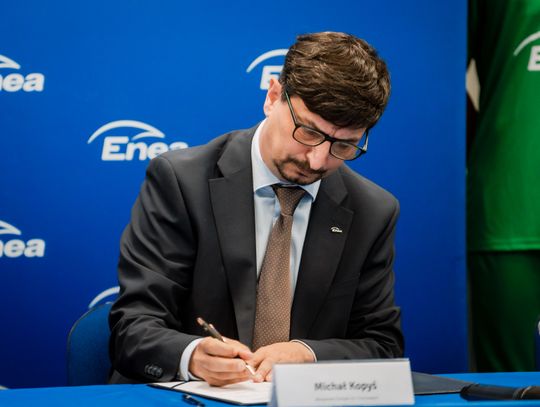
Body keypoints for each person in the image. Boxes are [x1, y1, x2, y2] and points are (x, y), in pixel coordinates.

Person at [109, 31, 403, 386]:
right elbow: (133, 327)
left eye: (344, 146)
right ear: (273, 96)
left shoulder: (373, 211)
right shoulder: (181, 181)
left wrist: (308, 355)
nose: (317, 161)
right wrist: (192, 356)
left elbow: (382, 345)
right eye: (309, 133)